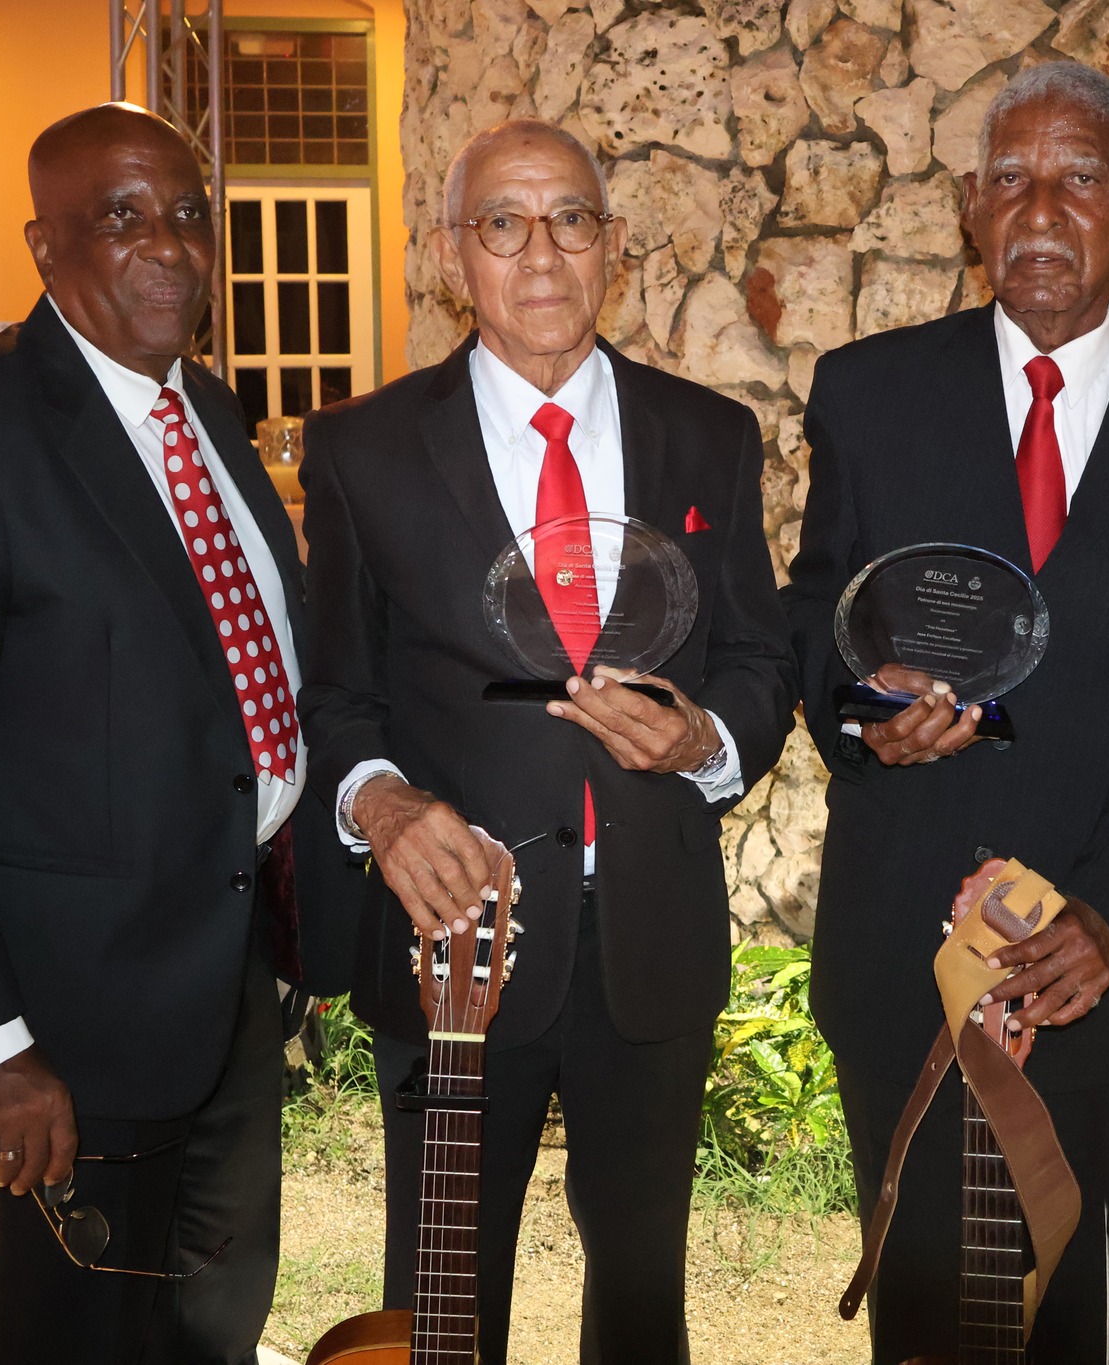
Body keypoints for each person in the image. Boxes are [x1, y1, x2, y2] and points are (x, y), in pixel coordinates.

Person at [784, 61, 1109, 1363]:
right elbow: (816, 616)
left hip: (1089, 964)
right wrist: (860, 713)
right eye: (1009, 178)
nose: (1041, 209)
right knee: (921, 1312)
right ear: (969, 205)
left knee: (1061, 1304)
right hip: (901, 950)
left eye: (1079, 178)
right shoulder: (869, 395)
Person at [0, 104, 317, 1363]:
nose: (170, 245)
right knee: (77, 1338)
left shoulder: (212, 416)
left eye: (189, 214)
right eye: (122, 217)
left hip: (229, 987)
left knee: (213, 1323)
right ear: (45, 246)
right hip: (71, 1028)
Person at [297, 118, 795, 1363]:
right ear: (452, 254)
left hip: (648, 942)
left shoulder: (708, 436)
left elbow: (759, 659)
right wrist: (381, 805)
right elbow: (335, 692)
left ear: (611, 245)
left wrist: (705, 741)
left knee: (641, 1299)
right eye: (502, 223)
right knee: (443, 1307)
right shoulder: (363, 450)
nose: (539, 254)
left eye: (569, 219)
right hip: (456, 942)